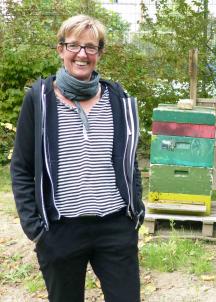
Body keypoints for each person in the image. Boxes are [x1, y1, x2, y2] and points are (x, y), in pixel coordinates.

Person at [10, 15, 145, 302]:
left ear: (99, 53)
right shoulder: (40, 99)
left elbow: (128, 159)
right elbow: (21, 167)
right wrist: (36, 230)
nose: (82, 54)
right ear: (60, 49)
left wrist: (134, 212)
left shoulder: (117, 98)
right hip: (60, 231)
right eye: (73, 46)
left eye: (91, 47)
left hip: (115, 228)